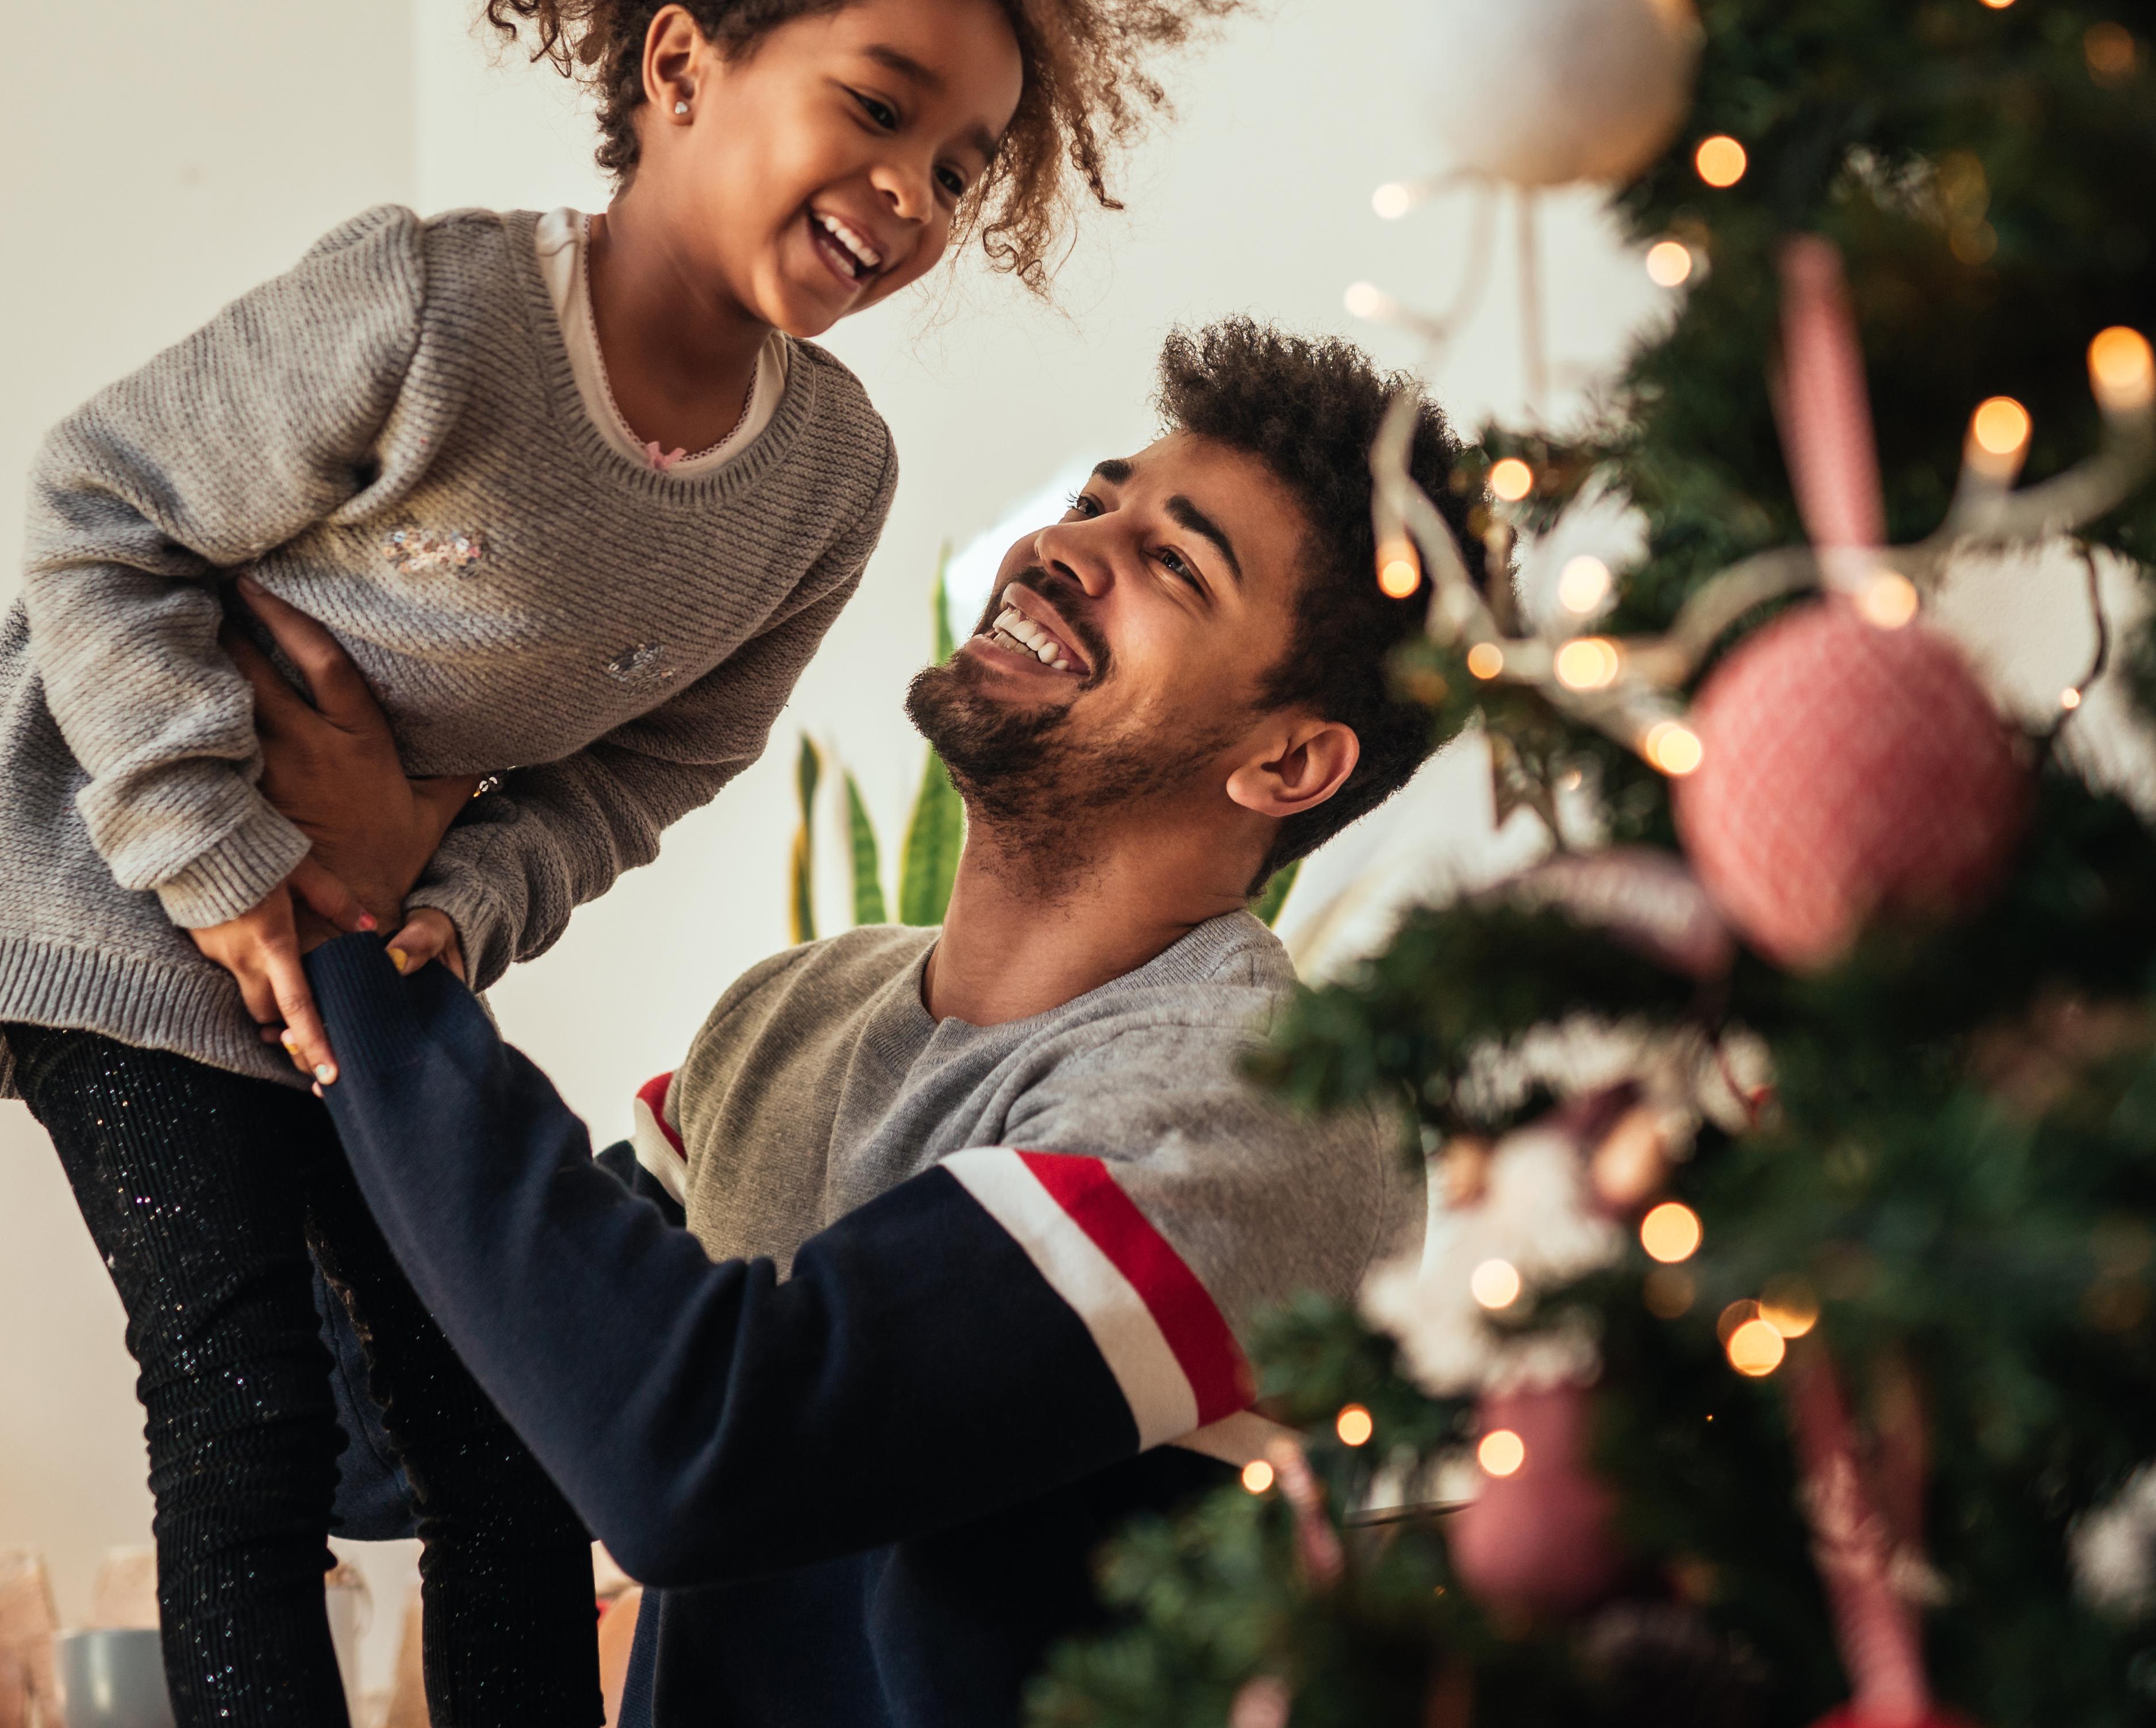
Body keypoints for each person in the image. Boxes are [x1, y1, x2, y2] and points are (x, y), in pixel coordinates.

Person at [0, 0, 1222, 1726]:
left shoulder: (827, 475)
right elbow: (95, 507)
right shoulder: (430, 309)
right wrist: (228, 854)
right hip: (113, 896)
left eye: (964, 165)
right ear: (678, 63)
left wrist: (446, 901)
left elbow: (654, 767)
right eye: (875, 108)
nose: (915, 195)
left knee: (500, 1445)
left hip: (354, 944)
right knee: (238, 1414)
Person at [234, 320, 1486, 1727]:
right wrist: (268, 951)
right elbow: (401, 1440)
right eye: (1095, 500)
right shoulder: (789, 1020)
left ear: (1288, 760)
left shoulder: (1263, 1102)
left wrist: (360, 935)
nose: (1070, 547)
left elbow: (695, 1451)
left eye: (1175, 564)